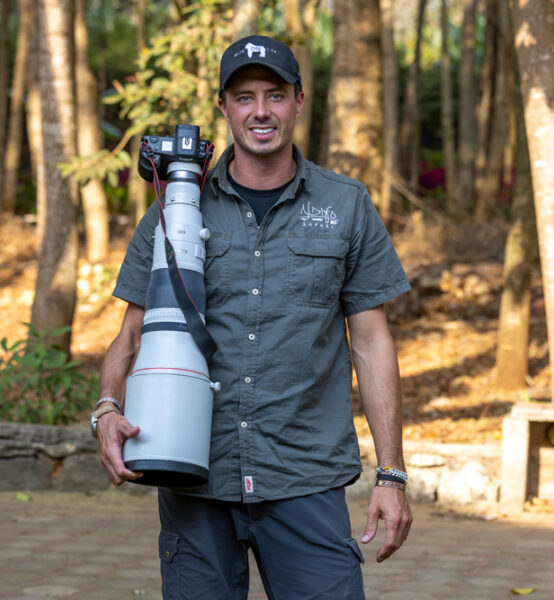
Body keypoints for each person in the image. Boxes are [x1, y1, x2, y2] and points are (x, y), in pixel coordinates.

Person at [94, 34, 413, 599]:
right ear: (224, 107)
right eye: (244, 97)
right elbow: (133, 331)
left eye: (274, 95)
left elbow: (371, 342)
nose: (260, 111)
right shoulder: (175, 207)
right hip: (196, 473)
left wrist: (391, 473)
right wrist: (107, 408)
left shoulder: (345, 206)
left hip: (304, 478)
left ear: (298, 100)